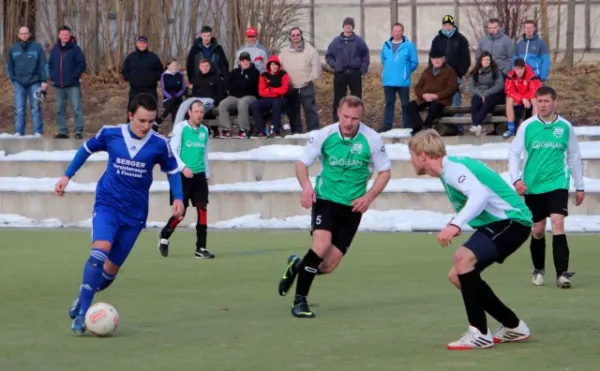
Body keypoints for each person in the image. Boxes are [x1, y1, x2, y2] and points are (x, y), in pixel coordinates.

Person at [54, 93, 184, 334]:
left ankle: (83, 297)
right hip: (108, 205)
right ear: (130, 115)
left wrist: (178, 197)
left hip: (134, 216)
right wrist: (66, 175)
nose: (147, 126)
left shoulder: (158, 143)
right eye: (142, 121)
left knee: (108, 275)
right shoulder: (110, 133)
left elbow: (173, 170)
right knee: (99, 252)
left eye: (151, 121)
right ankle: (82, 313)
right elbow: (85, 149)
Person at [408, 128, 533, 350]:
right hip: (500, 223)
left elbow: (479, 195)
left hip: (513, 222)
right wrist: (457, 220)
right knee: (458, 276)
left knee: (462, 259)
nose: (411, 160)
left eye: (412, 155)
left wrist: (456, 224)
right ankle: (513, 326)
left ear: (422, 154)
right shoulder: (450, 169)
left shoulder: (452, 168)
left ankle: (479, 333)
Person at [277, 96, 391, 318]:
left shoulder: (372, 139)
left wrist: (368, 197)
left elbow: (384, 172)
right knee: (320, 246)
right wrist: (307, 187)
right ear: (338, 112)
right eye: (346, 117)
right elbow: (302, 164)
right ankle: (299, 302)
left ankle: (297, 266)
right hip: (326, 200)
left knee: (328, 266)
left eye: (354, 119)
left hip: (353, 207)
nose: (349, 123)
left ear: (361, 118)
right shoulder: (325, 135)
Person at [508, 86, 584, 288]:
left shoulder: (565, 127)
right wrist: (516, 179)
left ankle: (562, 275)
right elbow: (514, 154)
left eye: (546, 101)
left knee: (558, 223)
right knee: (539, 229)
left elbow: (574, 157)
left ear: (554, 102)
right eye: (539, 101)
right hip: (533, 186)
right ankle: (539, 270)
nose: (543, 105)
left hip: (558, 182)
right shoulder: (527, 126)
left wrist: (580, 185)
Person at [158, 100, 214, 259]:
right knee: (180, 213)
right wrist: (183, 168)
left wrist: (206, 174)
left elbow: (205, 154)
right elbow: (173, 151)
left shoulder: (204, 131)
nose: (199, 115)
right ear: (189, 112)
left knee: (202, 209)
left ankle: (201, 248)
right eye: (196, 112)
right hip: (183, 176)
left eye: (201, 112)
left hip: (200, 175)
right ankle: (165, 234)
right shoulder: (181, 128)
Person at [6, 26, 49, 137]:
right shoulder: (13, 49)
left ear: (29, 34)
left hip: (35, 82)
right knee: (19, 108)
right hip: (19, 83)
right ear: (18, 35)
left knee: (36, 107)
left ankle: (37, 132)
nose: (24, 35)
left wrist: (44, 80)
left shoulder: (37, 47)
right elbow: (9, 66)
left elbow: (43, 64)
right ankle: (19, 132)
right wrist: (13, 79)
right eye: (22, 33)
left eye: (26, 33)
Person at [48, 25, 87, 139]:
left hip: (72, 84)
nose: (65, 36)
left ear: (70, 35)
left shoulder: (75, 49)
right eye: (63, 34)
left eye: (67, 34)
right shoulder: (55, 49)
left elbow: (82, 64)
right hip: (59, 85)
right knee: (60, 108)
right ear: (59, 35)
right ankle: (63, 131)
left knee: (76, 108)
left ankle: (78, 131)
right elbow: (50, 65)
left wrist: (74, 76)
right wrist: (52, 76)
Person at [380, 22, 418, 131]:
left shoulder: (409, 46)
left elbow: (414, 62)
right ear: (392, 32)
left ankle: (407, 126)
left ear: (403, 32)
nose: (397, 33)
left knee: (405, 104)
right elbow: (383, 60)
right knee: (389, 104)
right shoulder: (386, 45)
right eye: (395, 31)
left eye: (399, 31)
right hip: (388, 80)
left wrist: (406, 72)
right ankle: (387, 125)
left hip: (403, 81)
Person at [467, 51, 505, 136]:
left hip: (493, 94)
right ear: (481, 61)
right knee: (475, 102)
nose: (486, 61)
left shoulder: (496, 71)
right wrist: (481, 94)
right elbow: (471, 86)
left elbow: (500, 85)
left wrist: (486, 93)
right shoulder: (475, 72)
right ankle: (476, 125)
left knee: (488, 101)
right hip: (480, 93)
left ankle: (476, 124)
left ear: (491, 61)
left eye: (488, 60)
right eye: (484, 60)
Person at [502, 58, 541, 138]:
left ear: (524, 68)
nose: (519, 71)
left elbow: (534, 90)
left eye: (521, 69)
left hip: (529, 97)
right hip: (518, 98)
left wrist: (525, 98)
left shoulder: (531, 75)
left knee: (535, 99)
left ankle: (535, 126)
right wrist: (522, 98)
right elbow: (509, 90)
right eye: (517, 69)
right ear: (514, 68)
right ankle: (511, 129)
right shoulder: (511, 75)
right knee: (509, 99)